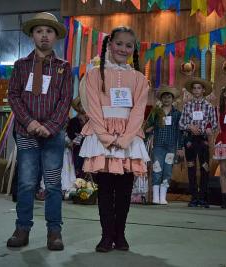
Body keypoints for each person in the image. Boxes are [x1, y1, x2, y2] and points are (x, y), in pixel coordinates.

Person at [79, 26, 149, 252]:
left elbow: (139, 110)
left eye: (129, 45)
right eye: (119, 43)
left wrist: (127, 137)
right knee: (106, 189)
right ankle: (106, 235)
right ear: (109, 44)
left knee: (125, 190)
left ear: (134, 50)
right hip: (102, 137)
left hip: (129, 138)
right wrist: (105, 136)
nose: (123, 48)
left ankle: (121, 234)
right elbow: (92, 107)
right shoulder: (93, 74)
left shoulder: (139, 78)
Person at [7, 12, 72, 251]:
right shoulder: (21, 65)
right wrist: (30, 123)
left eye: (49, 31)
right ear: (32, 35)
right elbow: (13, 95)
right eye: (39, 31)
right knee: (26, 183)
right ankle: (22, 228)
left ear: (55, 36)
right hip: (26, 133)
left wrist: (50, 127)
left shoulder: (64, 68)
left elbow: (65, 101)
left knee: (53, 184)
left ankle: (54, 232)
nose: (44, 35)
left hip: (53, 135)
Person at [179, 78, 218, 208]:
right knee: (191, 167)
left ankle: (203, 197)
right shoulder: (187, 106)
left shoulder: (209, 106)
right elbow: (181, 123)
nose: (196, 90)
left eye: (199, 88)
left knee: (204, 167)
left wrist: (205, 129)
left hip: (203, 139)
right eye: (194, 88)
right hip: (190, 139)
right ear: (192, 90)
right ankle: (194, 197)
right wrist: (190, 126)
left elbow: (214, 124)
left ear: (203, 90)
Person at [146, 85, 184, 205]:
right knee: (157, 170)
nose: (166, 99)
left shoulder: (177, 114)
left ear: (173, 99)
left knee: (167, 171)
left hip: (171, 147)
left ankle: (163, 197)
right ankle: (155, 197)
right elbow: (148, 127)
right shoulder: (156, 112)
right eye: (164, 97)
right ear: (161, 99)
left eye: (169, 97)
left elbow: (180, 132)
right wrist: (149, 128)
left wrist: (179, 147)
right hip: (158, 146)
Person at [67, 97, 88, 178]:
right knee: (78, 173)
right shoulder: (74, 121)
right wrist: (83, 135)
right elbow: (73, 136)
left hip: (89, 152)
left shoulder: (92, 122)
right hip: (78, 152)